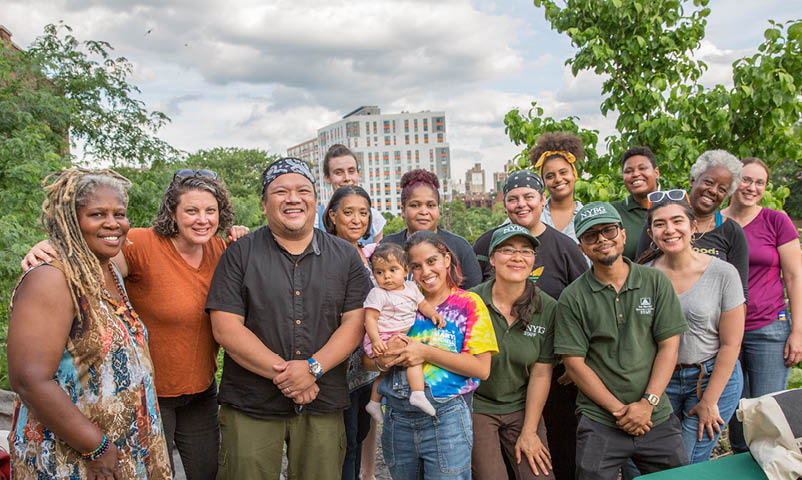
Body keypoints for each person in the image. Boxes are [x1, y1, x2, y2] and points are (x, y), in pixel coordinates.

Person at [21, 169, 244, 480]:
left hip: (201, 391)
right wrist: (53, 246)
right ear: (172, 212)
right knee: (153, 472)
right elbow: (94, 256)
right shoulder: (142, 243)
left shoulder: (221, 249)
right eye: (191, 211)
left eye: (210, 211)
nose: (202, 219)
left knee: (208, 472)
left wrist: (243, 237)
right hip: (149, 398)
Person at [206, 158, 371, 479]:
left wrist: (313, 369)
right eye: (281, 191)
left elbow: (355, 323)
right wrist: (288, 375)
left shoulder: (345, 256)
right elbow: (225, 327)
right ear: (264, 203)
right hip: (251, 403)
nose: (293, 198)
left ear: (315, 199)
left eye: (302, 190)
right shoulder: (240, 254)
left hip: (322, 400)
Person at [8, 168, 171, 479]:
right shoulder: (51, 278)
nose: (113, 223)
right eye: (97, 214)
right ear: (70, 220)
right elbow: (29, 379)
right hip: (74, 458)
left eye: (119, 214)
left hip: (126, 450)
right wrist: (96, 447)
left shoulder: (108, 270)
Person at [555, 202, 688, 479]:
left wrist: (647, 404)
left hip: (655, 414)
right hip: (600, 417)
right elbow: (574, 363)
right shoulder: (573, 297)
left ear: (623, 234)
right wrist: (620, 412)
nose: (602, 240)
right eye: (591, 235)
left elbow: (669, 346)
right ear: (581, 246)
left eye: (609, 230)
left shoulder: (655, 282)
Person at [473, 170, 587, 480]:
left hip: (542, 375)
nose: (521, 204)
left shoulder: (563, 249)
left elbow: (583, 301)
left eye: (529, 197)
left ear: (542, 200)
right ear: (494, 257)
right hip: (482, 391)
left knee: (545, 457)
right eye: (513, 198)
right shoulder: (483, 252)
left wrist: (574, 357)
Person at [368, 230, 499, 479]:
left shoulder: (468, 303)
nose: (425, 272)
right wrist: (386, 358)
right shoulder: (390, 302)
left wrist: (424, 352)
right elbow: (368, 361)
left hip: (447, 417)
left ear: (446, 259)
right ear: (407, 269)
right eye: (416, 266)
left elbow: (482, 369)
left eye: (431, 261)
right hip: (397, 418)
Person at [641, 191, 744, 463]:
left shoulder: (723, 273)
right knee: (656, 456)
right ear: (651, 233)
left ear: (693, 226)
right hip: (664, 380)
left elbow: (732, 343)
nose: (670, 230)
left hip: (711, 376)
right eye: (660, 224)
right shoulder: (645, 277)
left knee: (688, 460)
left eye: (677, 221)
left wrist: (710, 401)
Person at [721, 157, 802, 453]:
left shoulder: (775, 220)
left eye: (759, 182)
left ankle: (775, 467)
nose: (751, 187)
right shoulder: (716, 222)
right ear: (732, 180)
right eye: (745, 179)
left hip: (769, 325)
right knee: (736, 412)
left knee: (769, 409)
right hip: (725, 331)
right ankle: (743, 462)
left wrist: (798, 331)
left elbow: (794, 277)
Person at [470, 224, 557, 480]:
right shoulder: (471, 302)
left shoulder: (547, 307)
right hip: (478, 404)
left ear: (533, 261)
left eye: (525, 251)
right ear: (493, 259)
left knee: (539, 474)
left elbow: (541, 374)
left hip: (521, 404)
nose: (517, 257)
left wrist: (530, 431)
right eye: (507, 250)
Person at [321, 184, 380, 480]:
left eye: (363, 213)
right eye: (348, 212)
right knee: (341, 444)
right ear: (332, 216)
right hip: (335, 368)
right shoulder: (323, 252)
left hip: (366, 369)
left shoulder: (368, 255)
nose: (357, 219)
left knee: (358, 436)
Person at [635, 150, 749, 302]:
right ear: (693, 180)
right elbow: (640, 274)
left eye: (722, 189)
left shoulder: (731, 232)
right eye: (708, 182)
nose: (713, 191)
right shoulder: (661, 224)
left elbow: (740, 293)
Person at [362, 243, 445, 421]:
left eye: (393, 270)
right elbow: (370, 318)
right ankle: (417, 393)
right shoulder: (377, 293)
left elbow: (423, 305)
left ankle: (374, 403)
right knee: (412, 354)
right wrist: (376, 340)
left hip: (398, 335)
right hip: (383, 338)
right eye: (380, 272)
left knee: (385, 373)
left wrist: (434, 314)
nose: (387, 277)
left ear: (405, 269)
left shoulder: (411, 288)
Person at [382, 169, 483, 288]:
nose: (424, 212)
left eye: (431, 205)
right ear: (403, 211)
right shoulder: (387, 245)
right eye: (415, 205)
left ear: (438, 210)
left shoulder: (459, 247)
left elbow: (474, 292)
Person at [316, 144, 386, 243]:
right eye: (338, 172)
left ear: (358, 174)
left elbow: (376, 255)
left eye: (351, 171)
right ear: (327, 177)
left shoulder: (374, 218)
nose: (347, 178)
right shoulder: (315, 218)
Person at [530, 132, 586, 242]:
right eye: (550, 176)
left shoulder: (586, 216)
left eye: (563, 172)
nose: (558, 179)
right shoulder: (532, 214)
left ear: (574, 174)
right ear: (544, 182)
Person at [611, 146, 660, 260]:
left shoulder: (676, 206)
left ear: (656, 172)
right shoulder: (614, 212)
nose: (635, 174)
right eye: (628, 171)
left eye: (642, 168)